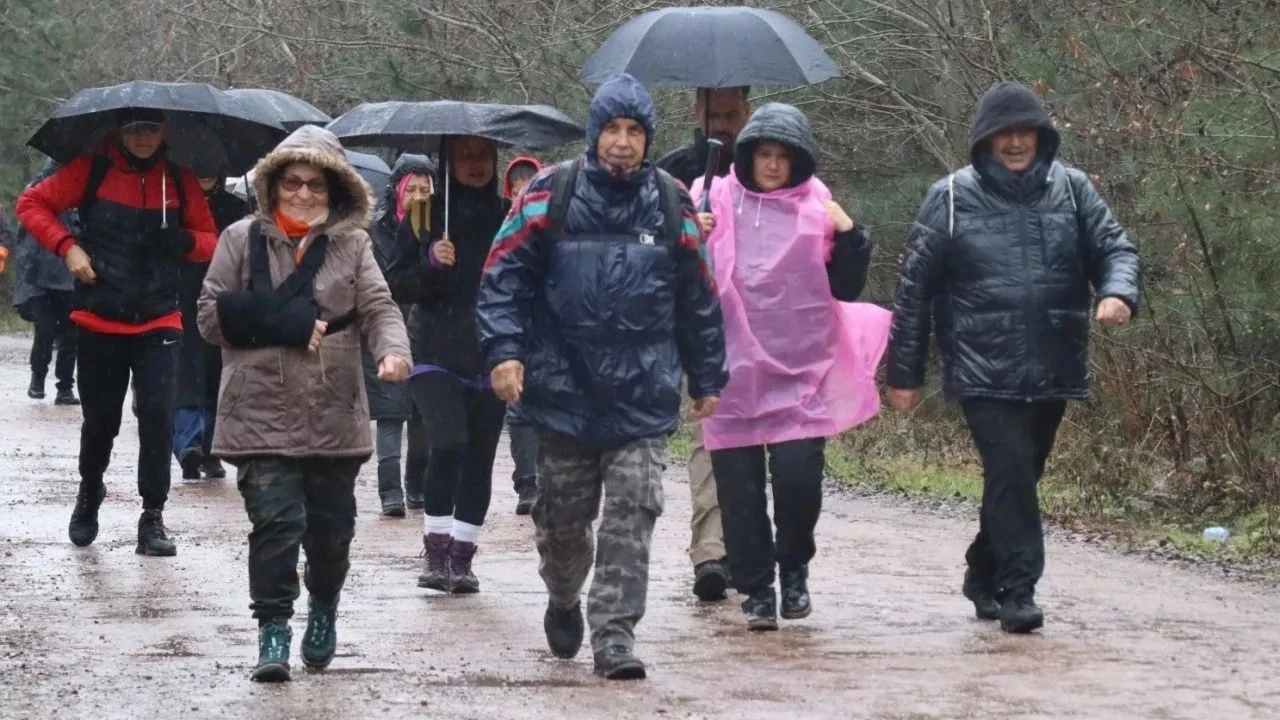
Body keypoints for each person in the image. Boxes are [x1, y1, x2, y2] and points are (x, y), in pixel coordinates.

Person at [477, 73, 727, 680]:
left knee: (634, 509)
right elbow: (502, 277)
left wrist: (707, 374)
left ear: (648, 138)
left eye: (634, 131)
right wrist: (504, 353)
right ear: (595, 134)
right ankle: (563, 594)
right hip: (562, 390)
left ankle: (614, 635)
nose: (622, 142)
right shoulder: (548, 192)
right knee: (562, 521)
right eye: (612, 129)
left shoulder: (673, 201)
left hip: (642, 391)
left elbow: (699, 294)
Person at [885, 81, 1140, 634]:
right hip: (982, 367)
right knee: (1011, 473)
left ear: (1041, 137)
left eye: (1026, 132)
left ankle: (983, 569)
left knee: (1020, 477)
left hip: (1054, 360)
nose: (1017, 141)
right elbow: (913, 291)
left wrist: (1118, 292)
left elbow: (1115, 248)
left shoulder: (1073, 190)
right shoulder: (949, 197)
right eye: (1005, 133)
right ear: (986, 140)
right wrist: (903, 374)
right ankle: (1019, 590)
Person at [196, 124, 412, 682]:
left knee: (330, 534)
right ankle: (272, 628)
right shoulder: (239, 240)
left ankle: (323, 605)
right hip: (257, 409)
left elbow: (380, 308)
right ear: (272, 185)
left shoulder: (354, 245)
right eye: (291, 182)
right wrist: (286, 323)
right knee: (274, 523)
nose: (303, 194)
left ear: (335, 190)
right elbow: (209, 317)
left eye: (316, 185)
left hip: (334, 410)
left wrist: (392, 352)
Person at [692, 103, 884, 630]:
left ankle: (794, 564)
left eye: (782, 156)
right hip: (729, 371)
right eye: (763, 154)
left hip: (802, 369)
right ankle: (756, 587)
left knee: (800, 480)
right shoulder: (711, 198)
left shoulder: (817, 205)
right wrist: (693, 235)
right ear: (747, 156)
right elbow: (679, 277)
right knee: (738, 489)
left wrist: (850, 237)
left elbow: (845, 287)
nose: (772, 165)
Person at [15, 108, 218, 557]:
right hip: (99, 316)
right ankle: (90, 491)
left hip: (160, 317)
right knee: (101, 422)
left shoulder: (179, 180)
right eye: (134, 129)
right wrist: (67, 248)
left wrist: (183, 242)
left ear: (163, 131)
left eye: (150, 128)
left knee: (157, 418)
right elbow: (30, 204)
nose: (143, 137)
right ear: (118, 132)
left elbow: (210, 239)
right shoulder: (91, 170)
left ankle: (153, 516)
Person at [385, 135, 508, 595]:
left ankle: (462, 557)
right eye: (465, 156)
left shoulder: (506, 214)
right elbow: (398, 283)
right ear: (448, 160)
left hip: (491, 352)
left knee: (480, 459)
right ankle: (435, 550)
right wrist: (433, 265)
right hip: (434, 352)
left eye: (483, 156)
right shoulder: (423, 214)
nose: (475, 165)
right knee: (450, 443)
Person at [657, 86, 751, 601]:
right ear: (695, 110)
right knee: (707, 436)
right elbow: (647, 242)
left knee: (757, 439)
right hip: (699, 321)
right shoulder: (672, 170)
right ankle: (710, 552)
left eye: (731, 114)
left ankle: (749, 546)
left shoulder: (769, 165)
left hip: (759, 325)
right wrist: (688, 230)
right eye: (713, 113)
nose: (721, 123)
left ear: (747, 112)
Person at [363, 153, 434, 517]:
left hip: (426, 330)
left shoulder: (438, 229)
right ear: (398, 192)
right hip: (386, 333)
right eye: (412, 189)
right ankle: (389, 490)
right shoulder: (375, 231)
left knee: (422, 414)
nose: (419, 196)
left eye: (426, 189)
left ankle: (417, 485)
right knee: (392, 412)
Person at [174, 175, 249, 480]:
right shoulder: (172, 206)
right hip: (179, 297)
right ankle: (188, 444)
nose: (204, 172)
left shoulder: (237, 209)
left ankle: (211, 448)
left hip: (222, 301)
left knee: (216, 374)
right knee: (184, 372)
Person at [11, 160, 80, 406]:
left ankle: (64, 387)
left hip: (70, 277)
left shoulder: (79, 195)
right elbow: (24, 240)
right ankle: (38, 378)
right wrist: (27, 280)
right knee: (46, 331)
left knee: (71, 336)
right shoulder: (36, 192)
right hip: (40, 279)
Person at [500, 154, 544, 515]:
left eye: (530, 179)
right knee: (518, 410)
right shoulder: (499, 224)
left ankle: (548, 479)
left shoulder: (553, 223)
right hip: (513, 325)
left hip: (548, 328)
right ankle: (527, 483)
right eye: (517, 180)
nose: (522, 186)